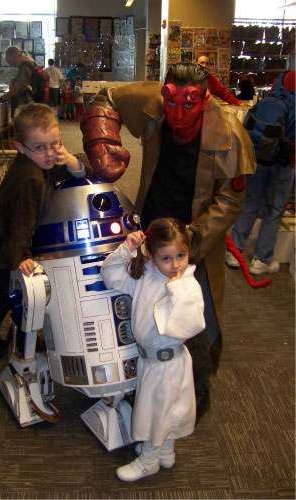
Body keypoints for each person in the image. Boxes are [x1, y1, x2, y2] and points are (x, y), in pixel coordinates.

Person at [81, 62, 256, 420]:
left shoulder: (228, 132)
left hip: (195, 238)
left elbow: (231, 200)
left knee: (196, 314)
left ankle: (198, 386)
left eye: (189, 104)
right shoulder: (154, 104)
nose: (177, 113)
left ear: (204, 99)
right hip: (151, 225)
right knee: (140, 303)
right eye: (171, 102)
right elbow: (107, 96)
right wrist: (103, 138)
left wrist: (194, 237)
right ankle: (139, 375)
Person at [0, 103, 89, 359]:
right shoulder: (29, 179)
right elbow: (21, 224)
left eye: (55, 143)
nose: (50, 153)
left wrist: (69, 158)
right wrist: (22, 256)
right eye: (40, 147)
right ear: (20, 147)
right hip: (4, 247)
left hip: (8, 242)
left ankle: (21, 334)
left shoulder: (40, 162)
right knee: (6, 293)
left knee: (16, 293)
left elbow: (81, 171)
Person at [100, 218, 205, 481]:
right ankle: (165, 450)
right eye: (166, 258)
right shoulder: (145, 273)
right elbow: (111, 276)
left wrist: (177, 287)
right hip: (149, 361)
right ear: (151, 255)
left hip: (169, 364)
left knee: (159, 411)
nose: (176, 265)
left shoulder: (187, 282)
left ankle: (149, 461)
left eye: (181, 256)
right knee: (164, 408)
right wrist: (126, 249)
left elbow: (189, 322)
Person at [226, 70, 295, 275]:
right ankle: (262, 259)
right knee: (274, 209)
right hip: (283, 164)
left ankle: (234, 252)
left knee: (250, 204)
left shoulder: (272, 97)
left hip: (258, 159)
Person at [0, 46, 37, 117]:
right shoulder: (30, 63)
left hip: (29, 104)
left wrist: (0, 99)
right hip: (34, 103)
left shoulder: (24, 67)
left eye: (10, 62)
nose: (11, 65)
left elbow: (15, 89)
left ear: (14, 57)